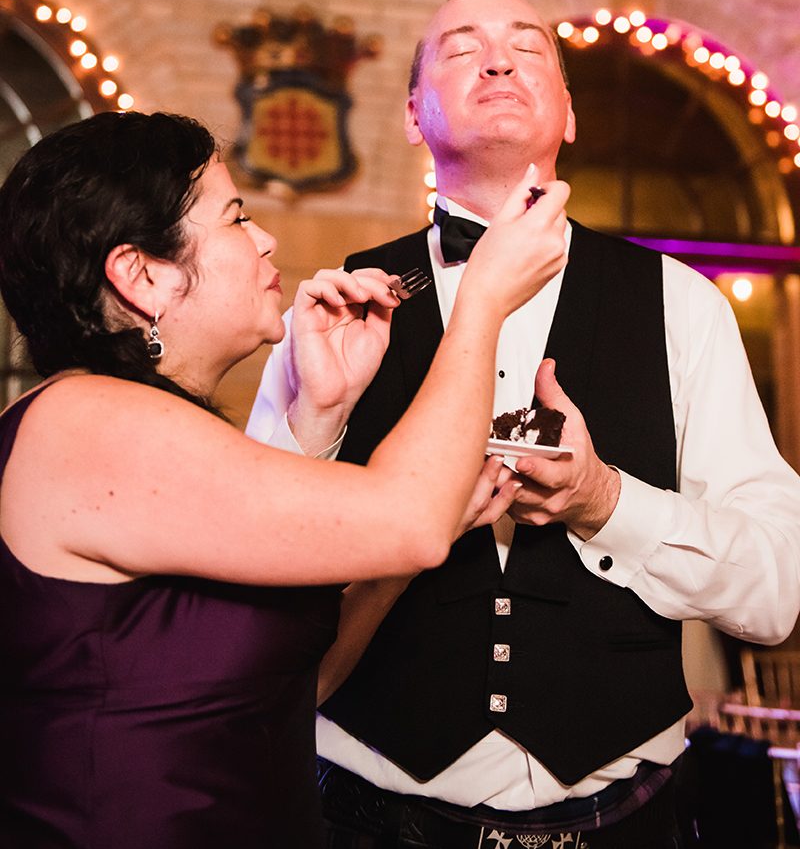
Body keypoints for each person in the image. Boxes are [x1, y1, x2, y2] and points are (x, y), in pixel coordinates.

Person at [248, 0, 800, 849]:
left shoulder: (683, 308)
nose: (497, 59)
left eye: (527, 46)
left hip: (626, 826)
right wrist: (316, 430)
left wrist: (607, 502)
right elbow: (249, 597)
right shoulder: (332, 313)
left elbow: (778, 592)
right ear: (411, 115)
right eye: (461, 48)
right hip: (367, 824)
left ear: (571, 114)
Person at [0, 108, 571, 849]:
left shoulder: (146, 427)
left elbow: (293, 687)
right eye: (236, 218)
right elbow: (408, 521)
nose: (266, 238)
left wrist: (321, 412)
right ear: (141, 274)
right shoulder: (83, 423)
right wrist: (483, 302)